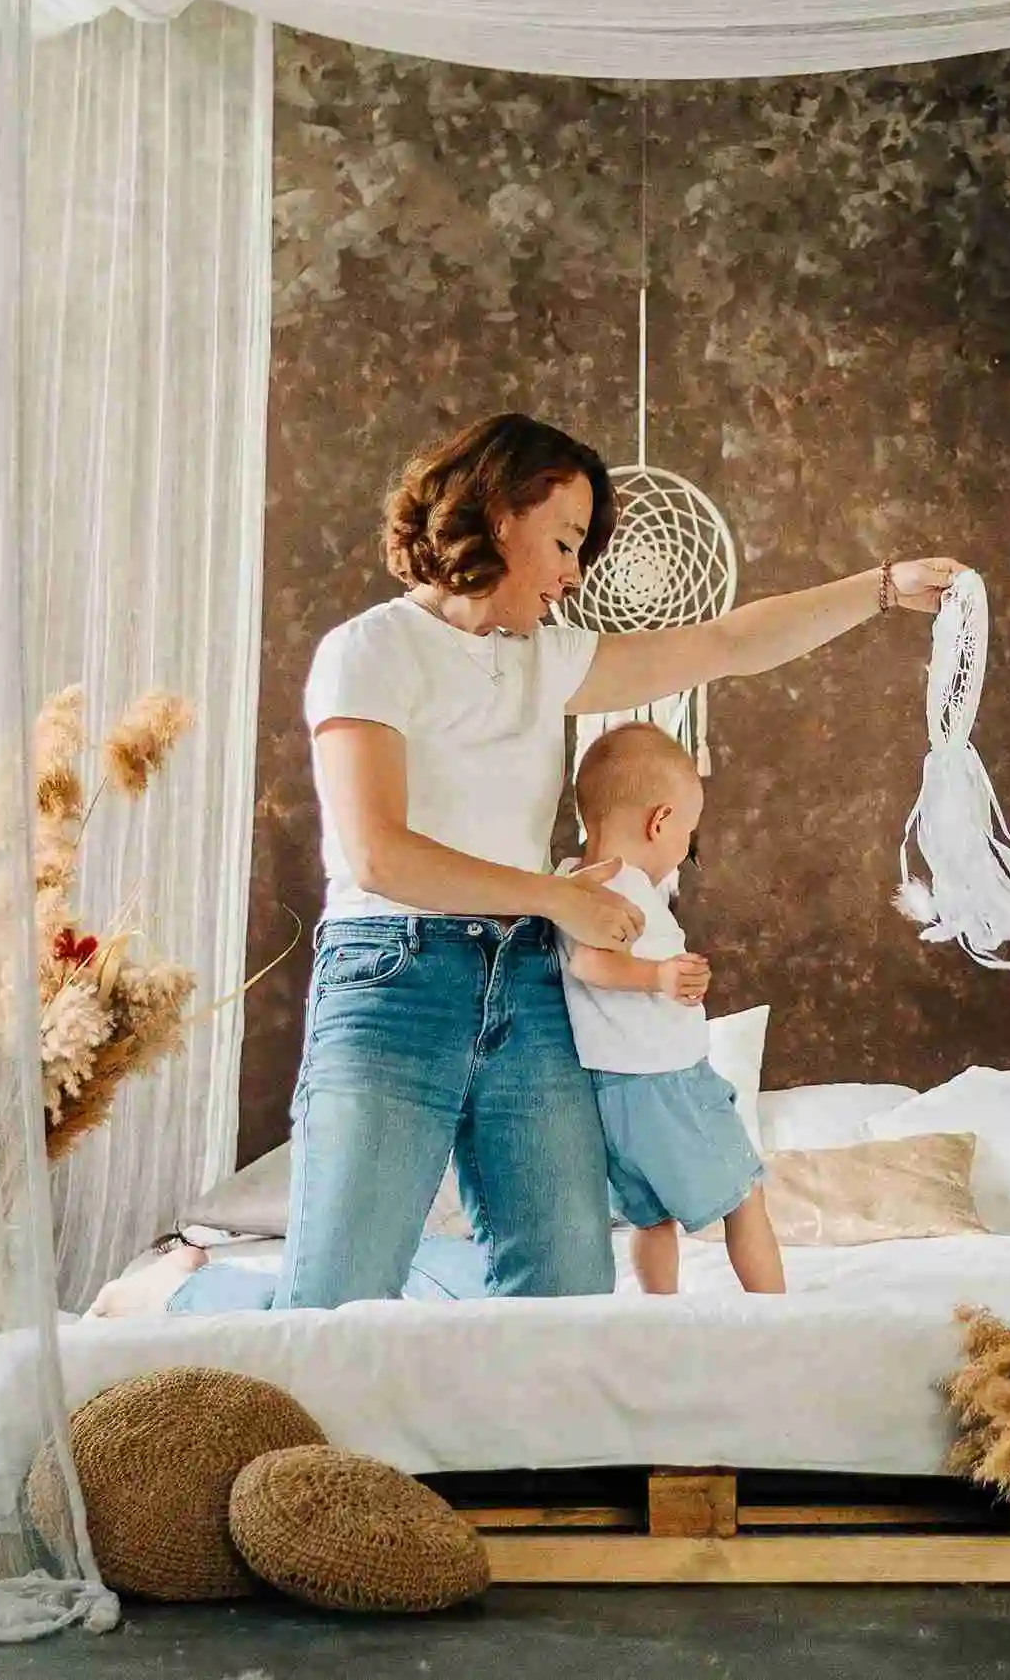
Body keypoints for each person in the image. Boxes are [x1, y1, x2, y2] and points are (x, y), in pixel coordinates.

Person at [284, 410, 959, 1307]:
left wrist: (879, 588)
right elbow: (379, 854)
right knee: (342, 1290)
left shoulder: (545, 658)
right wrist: (558, 898)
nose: (572, 575)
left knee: (566, 1286)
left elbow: (724, 644)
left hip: (526, 983)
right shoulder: (371, 648)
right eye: (563, 542)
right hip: (393, 974)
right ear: (495, 513)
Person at [560, 723, 781, 1295]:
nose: (686, 845)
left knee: (649, 1215)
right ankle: (778, 1315)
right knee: (745, 1194)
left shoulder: (568, 880)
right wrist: (657, 975)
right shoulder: (622, 887)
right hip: (667, 1085)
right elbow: (590, 963)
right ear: (660, 823)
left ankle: (660, 1311)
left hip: (613, 1091)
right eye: (687, 831)